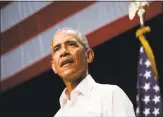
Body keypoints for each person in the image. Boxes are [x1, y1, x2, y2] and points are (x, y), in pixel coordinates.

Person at [51, 27, 135, 117]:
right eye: (57, 49)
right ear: (54, 67)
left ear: (88, 56)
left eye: (71, 44)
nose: (63, 52)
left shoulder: (111, 96)